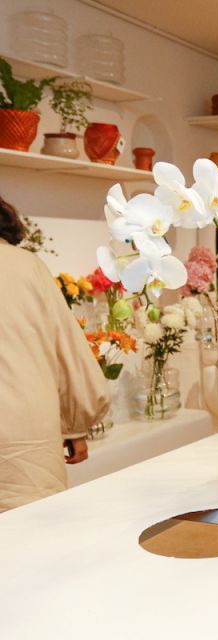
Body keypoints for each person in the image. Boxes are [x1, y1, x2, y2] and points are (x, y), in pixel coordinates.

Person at [0, 196, 109, 513]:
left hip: (26, 443)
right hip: (28, 450)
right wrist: (75, 425)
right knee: (32, 545)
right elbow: (66, 349)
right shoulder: (27, 266)